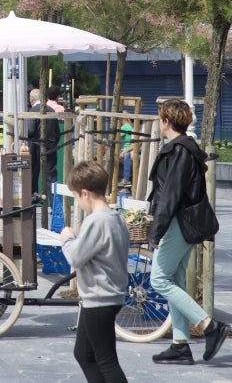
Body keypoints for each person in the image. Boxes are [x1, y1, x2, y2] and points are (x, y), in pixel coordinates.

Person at [148, 98, 230, 365]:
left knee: (159, 280)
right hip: (185, 221)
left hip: (177, 222)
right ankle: (180, 345)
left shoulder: (179, 151)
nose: (159, 123)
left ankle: (209, 326)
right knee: (176, 281)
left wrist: (155, 232)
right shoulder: (182, 148)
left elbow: (169, 196)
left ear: (167, 121)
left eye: (161, 118)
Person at [60, 160, 129, 383]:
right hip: (105, 296)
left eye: (76, 198)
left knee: (106, 361)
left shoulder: (97, 221)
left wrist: (67, 238)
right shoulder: (115, 217)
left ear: (85, 193)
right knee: (84, 354)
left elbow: (76, 257)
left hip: (100, 297)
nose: (78, 203)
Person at [27, 87, 61, 202]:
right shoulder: (51, 110)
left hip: (35, 148)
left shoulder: (32, 111)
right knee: (51, 177)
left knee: (32, 175)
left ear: (31, 99)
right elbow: (57, 133)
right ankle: (55, 204)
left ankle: (33, 200)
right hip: (51, 147)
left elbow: (30, 131)